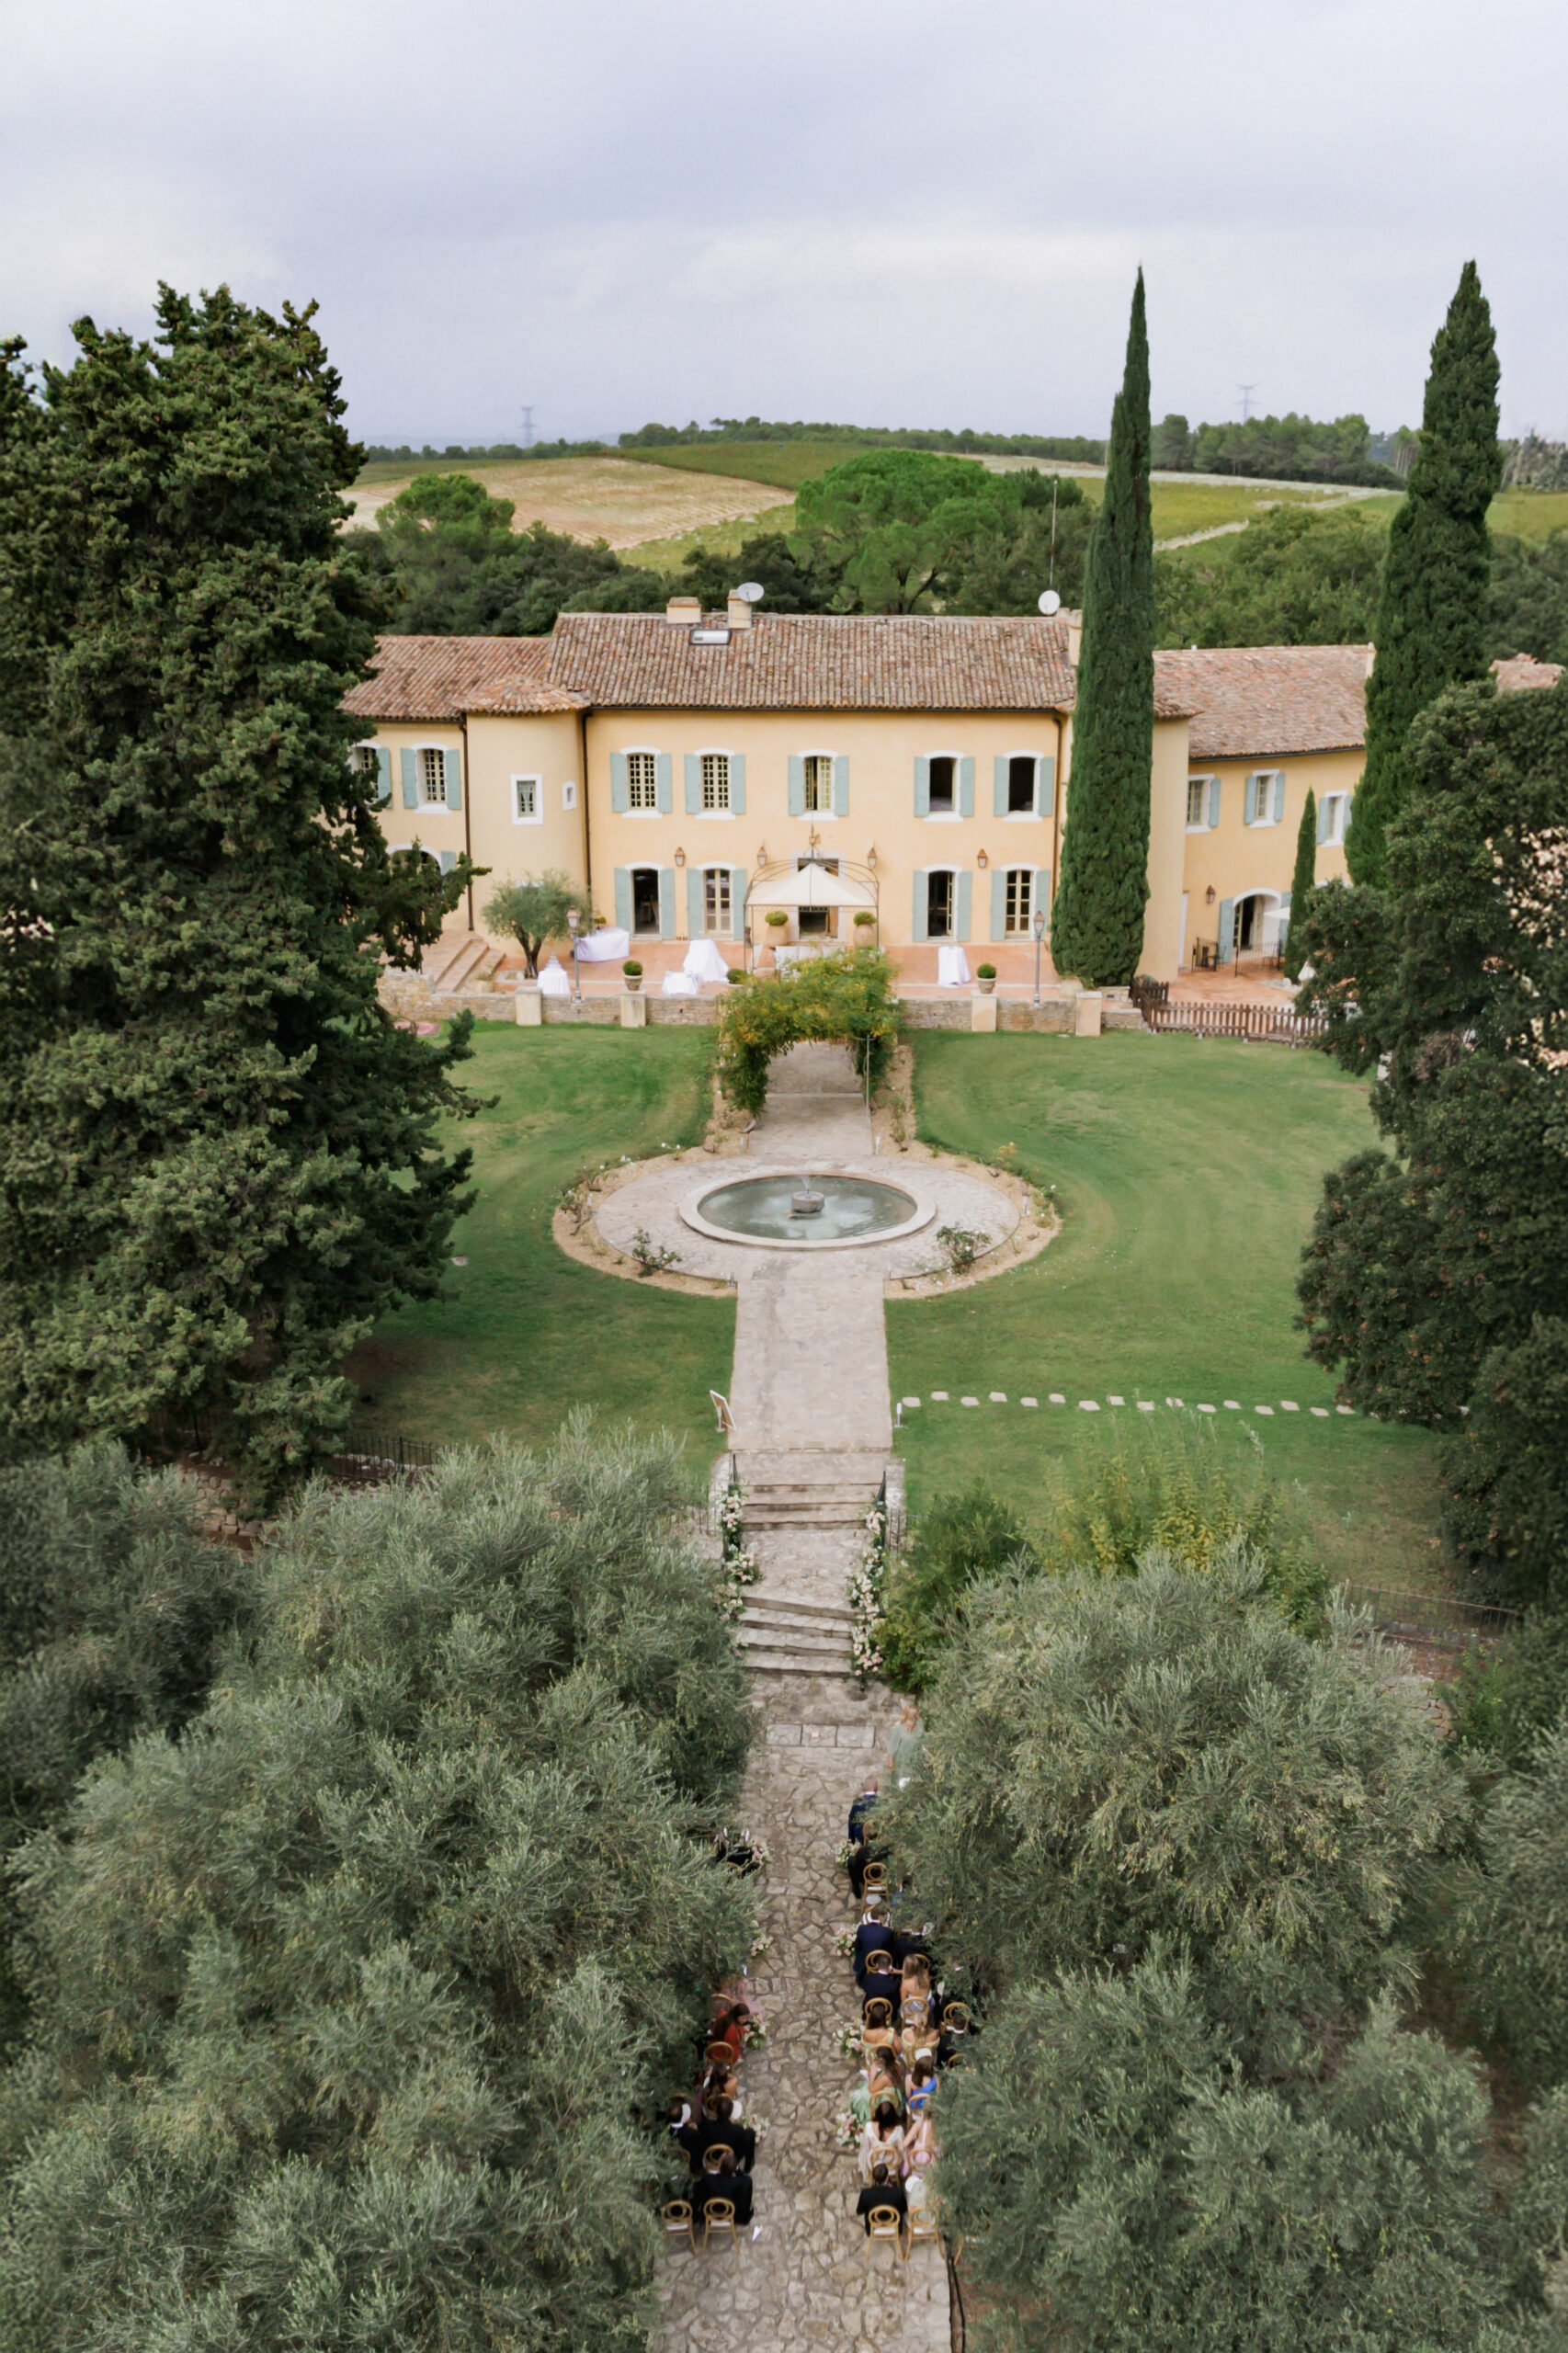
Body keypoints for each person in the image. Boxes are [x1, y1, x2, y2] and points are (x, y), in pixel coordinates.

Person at [696, 2146, 753, 2229]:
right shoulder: (740, 2183)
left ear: (719, 2166)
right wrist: (737, 2169)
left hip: (711, 2213)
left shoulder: (707, 2179)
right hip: (731, 2214)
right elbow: (746, 2178)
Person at [700, 2093, 756, 2174]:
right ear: (730, 2113)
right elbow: (741, 2146)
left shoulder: (706, 2126)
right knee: (750, 2133)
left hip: (711, 2157)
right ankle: (748, 2167)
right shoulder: (737, 2129)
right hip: (729, 2159)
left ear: (716, 2111)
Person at [858, 2098, 905, 2185]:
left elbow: (865, 2149)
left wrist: (865, 2168)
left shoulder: (869, 2127)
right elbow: (902, 2150)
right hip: (892, 2165)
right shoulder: (899, 2130)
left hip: (874, 2163)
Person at [846, 1780, 880, 1899]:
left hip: (865, 1878)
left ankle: (856, 1888)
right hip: (882, 1876)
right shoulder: (882, 1803)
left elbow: (851, 1821)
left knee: (851, 1861)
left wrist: (852, 1840)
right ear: (876, 1788)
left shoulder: (861, 1852)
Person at [856, 2159, 906, 2234]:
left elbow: (859, 2211)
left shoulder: (866, 2194)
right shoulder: (898, 2192)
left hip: (874, 2224)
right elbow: (904, 2209)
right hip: (894, 2223)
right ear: (887, 2177)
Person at [887, 1699, 922, 1789]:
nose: (918, 1716)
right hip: (902, 1760)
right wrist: (891, 1762)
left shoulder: (920, 1725)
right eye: (916, 1715)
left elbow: (924, 1741)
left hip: (916, 1759)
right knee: (901, 1784)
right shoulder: (899, 1728)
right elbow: (893, 1745)